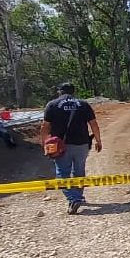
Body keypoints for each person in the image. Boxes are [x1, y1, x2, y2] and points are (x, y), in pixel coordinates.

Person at [40, 83, 102, 215]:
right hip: (82, 144)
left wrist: (45, 143)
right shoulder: (83, 104)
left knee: (62, 174)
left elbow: (45, 127)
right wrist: (98, 140)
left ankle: (74, 198)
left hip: (61, 146)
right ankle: (78, 197)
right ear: (73, 92)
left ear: (60, 92)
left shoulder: (52, 104)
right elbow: (94, 124)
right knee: (79, 171)